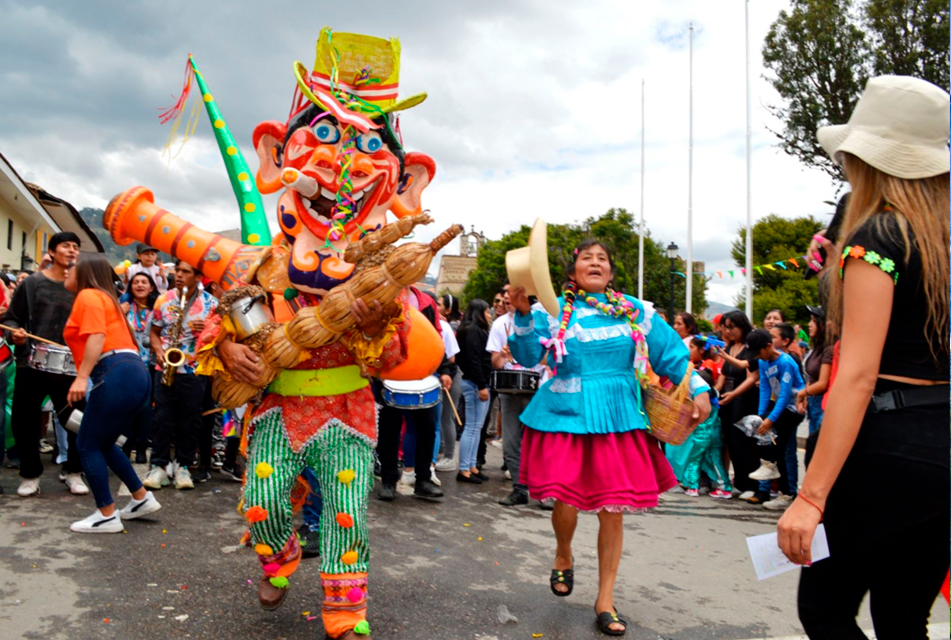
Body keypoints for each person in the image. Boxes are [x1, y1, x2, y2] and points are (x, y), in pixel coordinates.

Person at [777, 75, 949, 639]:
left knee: (825, 609)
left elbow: (855, 376)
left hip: (891, 443)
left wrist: (810, 496)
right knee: (904, 618)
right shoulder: (939, 239)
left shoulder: (879, 238)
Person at [509, 239, 710, 636]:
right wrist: (521, 316)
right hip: (567, 414)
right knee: (565, 500)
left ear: (611, 273)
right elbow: (530, 355)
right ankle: (563, 551)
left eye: (602, 259)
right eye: (587, 258)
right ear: (573, 272)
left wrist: (699, 388)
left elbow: (669, 352)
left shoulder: (635, 310)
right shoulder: (552, 310)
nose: (596, 263)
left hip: (619, 415)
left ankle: (605, 599)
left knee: (613, 508)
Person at [62, 254, 161, 533]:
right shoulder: (106, 298)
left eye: (71, 268)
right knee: (103, 442)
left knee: (87, 444)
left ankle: (106, 514)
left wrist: (81, 378)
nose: (66, 272)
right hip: (132, 371)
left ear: (83, 272)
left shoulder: (89, 295)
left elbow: (96, 336)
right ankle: (140, 498)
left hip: (115, 370)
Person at [3, 231, 88, 497]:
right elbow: (12, 318)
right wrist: (14, 335)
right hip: (32, 363)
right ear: (51, 252)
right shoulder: (32, 283)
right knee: (25, 421)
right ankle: (29, 474)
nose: (72, 251)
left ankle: (73, 472)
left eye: (76, 247)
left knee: (75, 420)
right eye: (66, 246)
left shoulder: (83, 286)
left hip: (70, 365)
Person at [144, 260, 217, 491]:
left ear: (198, 276)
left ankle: (184, 466)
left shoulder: (211, 304)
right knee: (161, 418)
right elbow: (153, 332)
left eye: (186, 272)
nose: (179, 275)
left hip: (194, 370)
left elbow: (221, 338)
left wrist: (206, 329)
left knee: (190, 420)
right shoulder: (163, 299)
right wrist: (158, 351)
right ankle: (158, 466)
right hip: (165, 368)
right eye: (178, 271)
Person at [488, 289, 547, 507]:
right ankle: (519, 488)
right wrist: (504, 355)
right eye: (505, 300)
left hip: (538, 388)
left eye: (511, 299)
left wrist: (526, 354)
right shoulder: (499, 324)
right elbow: (494, 362)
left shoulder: (541, 319)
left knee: (540, 443)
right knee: (511, 443)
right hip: (509, 390)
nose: (507, 303)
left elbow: (551, 357)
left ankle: (544, 492)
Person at [744, 329, 804, 506]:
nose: (757, 356)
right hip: (780, 406)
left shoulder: (785, 362)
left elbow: (786, 396)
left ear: (769, 346)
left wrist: (770, 420)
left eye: (758, 352)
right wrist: (761, 416)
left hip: (794, 407)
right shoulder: (763, 362)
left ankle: (782, 487)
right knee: (755, 427)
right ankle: (773, 473)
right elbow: (765, 389)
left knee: (779, 449)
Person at [715, 310, 761, 501]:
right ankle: (740, 482)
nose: (728, 331)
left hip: (745, 399)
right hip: (728, 400)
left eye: (732, 327)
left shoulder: (751, 349)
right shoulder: (729, 347)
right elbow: (723, 375)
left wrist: (733, 394)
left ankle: (751, 483)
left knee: (744, 442)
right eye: (725, 327)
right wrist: (714, 392)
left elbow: (752, 377)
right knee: (731, 442)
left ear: (743, 326)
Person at [120, 271, 159, 464]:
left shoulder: (158, 309)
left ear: (152, 287)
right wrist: (121, 312)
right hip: (127, 363)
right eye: (136, 282)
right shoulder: (124, 307)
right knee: (126, 406)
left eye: (144, 282)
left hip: (150, 364)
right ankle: (126, 446)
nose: (140, 285)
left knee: (145, 407)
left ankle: (142, 446)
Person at [455, 299, 492, 484]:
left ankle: (471, 466)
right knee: (472, 427)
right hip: (476, 384)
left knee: (476, 427)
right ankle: (464, 469)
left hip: (475, 382)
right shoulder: (473, 331)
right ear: (480, 312)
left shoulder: (470, 330)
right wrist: (482, 384)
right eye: (487, 312)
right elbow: (474, 359)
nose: (489, 315)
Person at [796, 306, 834, 467]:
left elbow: (823, 382)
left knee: (818, 455)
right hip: (813, 404)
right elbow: (811, 376)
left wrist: (801, 393)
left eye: (814, 320)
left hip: (824, 404)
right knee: (812, 454)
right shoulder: (817, 348)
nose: (810, 324)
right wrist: (806, 396)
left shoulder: (829, 348)